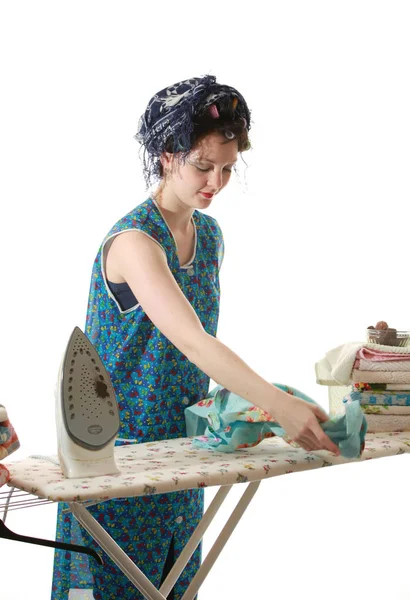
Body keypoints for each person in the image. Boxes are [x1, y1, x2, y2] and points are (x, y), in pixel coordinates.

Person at [51, 74, 340, 600]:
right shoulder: (135, 242)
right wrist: (276, 405)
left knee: (177, 586)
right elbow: (192, 341)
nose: (216, 181)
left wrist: (258, 411)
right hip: (118, 454)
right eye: (203, 166)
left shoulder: (208, 236)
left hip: (186, 448)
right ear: (166, 155)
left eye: (228, 168)